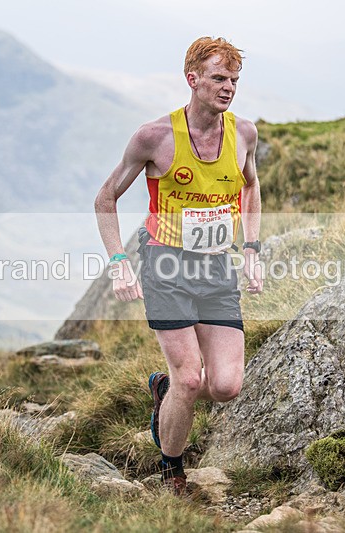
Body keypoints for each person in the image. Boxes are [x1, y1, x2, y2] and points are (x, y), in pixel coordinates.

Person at [94, 36, 263, 495]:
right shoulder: (155, 137)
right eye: (218, 78)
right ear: (192, 80)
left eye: (234, 80)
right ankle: (172, 470)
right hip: (166, 265)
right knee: (191, 378)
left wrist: (251, 249)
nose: (228, 88)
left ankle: (164, 389)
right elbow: (105, 198)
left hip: (216, 269)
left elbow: (250, 186)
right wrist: (118, 262)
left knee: (226, 385)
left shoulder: (243, 134)